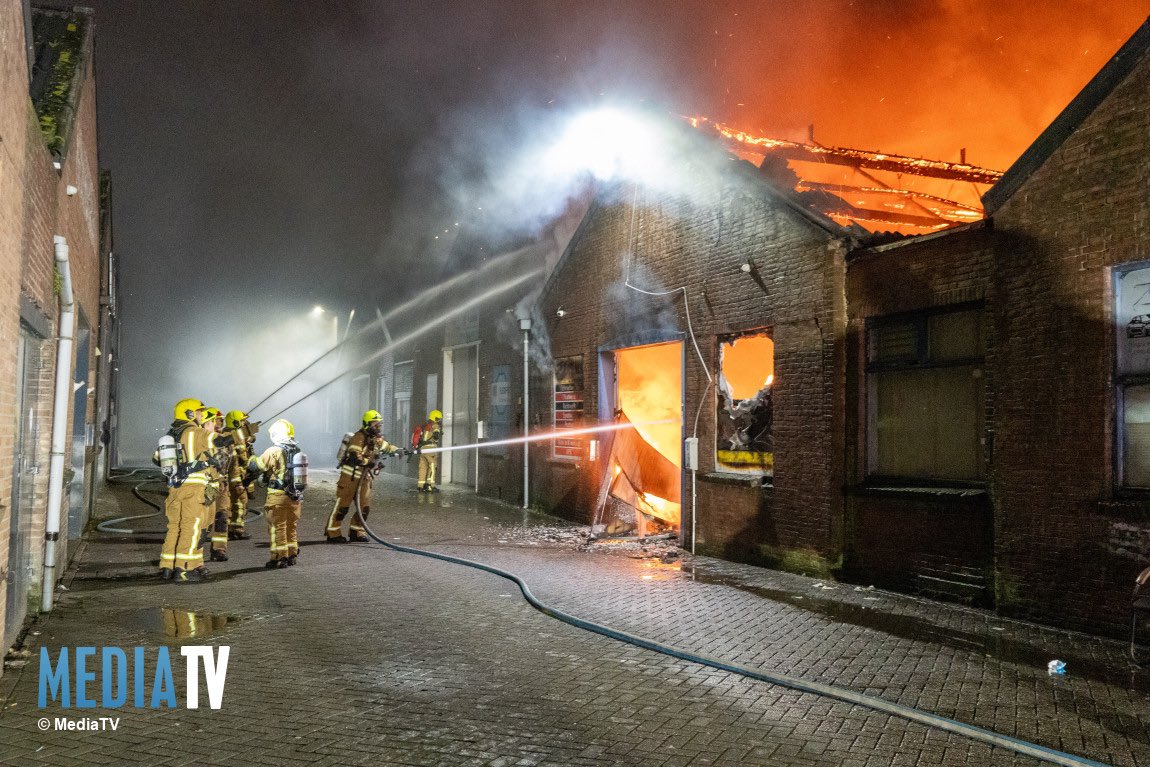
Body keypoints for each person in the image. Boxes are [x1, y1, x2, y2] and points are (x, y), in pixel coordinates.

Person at [155, 398, 229, 584]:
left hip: (174, 489)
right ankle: (184, 569)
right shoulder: (196, 432)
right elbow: (220, 440)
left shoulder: (171, 435)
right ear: (189, 413)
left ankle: (167, 567)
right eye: (198, 412)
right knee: (191, 528)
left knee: (174, 528)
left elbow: (157, 459)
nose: (200, 415)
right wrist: (242, 433)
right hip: (193, 489)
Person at [326, 409, 403, 543]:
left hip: (364, 479)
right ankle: (333, 533)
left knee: (364, 508)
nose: (378, 426)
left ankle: (356, 532)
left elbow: (387, 447)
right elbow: (356, 457)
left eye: (379, 424)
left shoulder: (375, 439)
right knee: (342, 507)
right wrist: (369, 461)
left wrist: (399, 450)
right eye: (375, 424)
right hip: (350, 478)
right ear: (368, 423)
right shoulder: (358, 437)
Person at [249, 419, 306, 568]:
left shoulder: (274, 450)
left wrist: (251, 457)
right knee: (291, 527)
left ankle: (280, 557)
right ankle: (292, 553)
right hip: (295, 497)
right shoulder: (297, 450)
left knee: (277, 527)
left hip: (278, 497)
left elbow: (257, 466)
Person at [200, 407, 231, 562]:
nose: (220, 422)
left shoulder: (224, 440)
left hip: (222, 486)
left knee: (222, 517)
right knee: (203, 519)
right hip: (207, 485)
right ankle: (194, 552)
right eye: (217, 420)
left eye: (221, 420)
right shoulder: (202, 439)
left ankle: (219, 549)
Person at [225, 409, 257, 541]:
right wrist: (252, 467)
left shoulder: (228, 433)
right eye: (242, 421)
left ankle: (230, 528)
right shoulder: (236, 437)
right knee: (240, 501)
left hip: (229, 475)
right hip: (235, 475)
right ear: (236, 422)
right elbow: (243, 457)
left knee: (231, 502)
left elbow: (251, 439)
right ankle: (236, 529)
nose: (244, 423)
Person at [413, 409, 443, 493]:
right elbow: (436, 435)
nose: (439, 420)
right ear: (436, 418)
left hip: (422, 450)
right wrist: (438, 433)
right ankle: (430, 486)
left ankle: (420, 486)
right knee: (432, 467)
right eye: (439, 418)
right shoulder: (435, 426)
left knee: (423, 467)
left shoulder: (424, 426)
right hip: (430, 449)